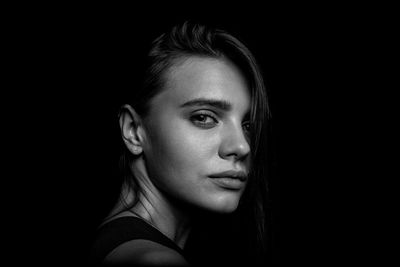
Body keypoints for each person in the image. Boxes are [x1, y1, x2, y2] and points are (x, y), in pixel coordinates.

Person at [88, 21, 271, 266]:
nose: (242, 146)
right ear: (133, 130)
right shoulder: (156, 260)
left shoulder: (115, 245)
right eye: (204, 118)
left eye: (247, 125)